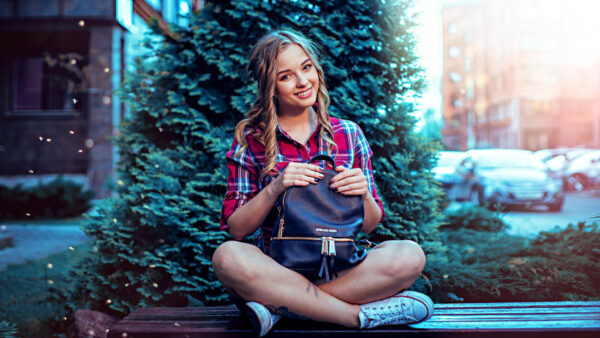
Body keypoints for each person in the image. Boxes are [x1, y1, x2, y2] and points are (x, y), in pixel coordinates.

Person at [212, 30, 434, 336]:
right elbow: (237, 229)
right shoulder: (250, 142)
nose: (303, 82)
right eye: (286, 76)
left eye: (306, 68)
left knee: (410, 255)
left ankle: (281, 307)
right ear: (270, 88)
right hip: (275, 268)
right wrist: (276, 187)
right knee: (227, 257)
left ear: (316, 69)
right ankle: (357, 316)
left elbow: (370, 224)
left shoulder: (349, 134)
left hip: (341, 264)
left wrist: (364, 194)